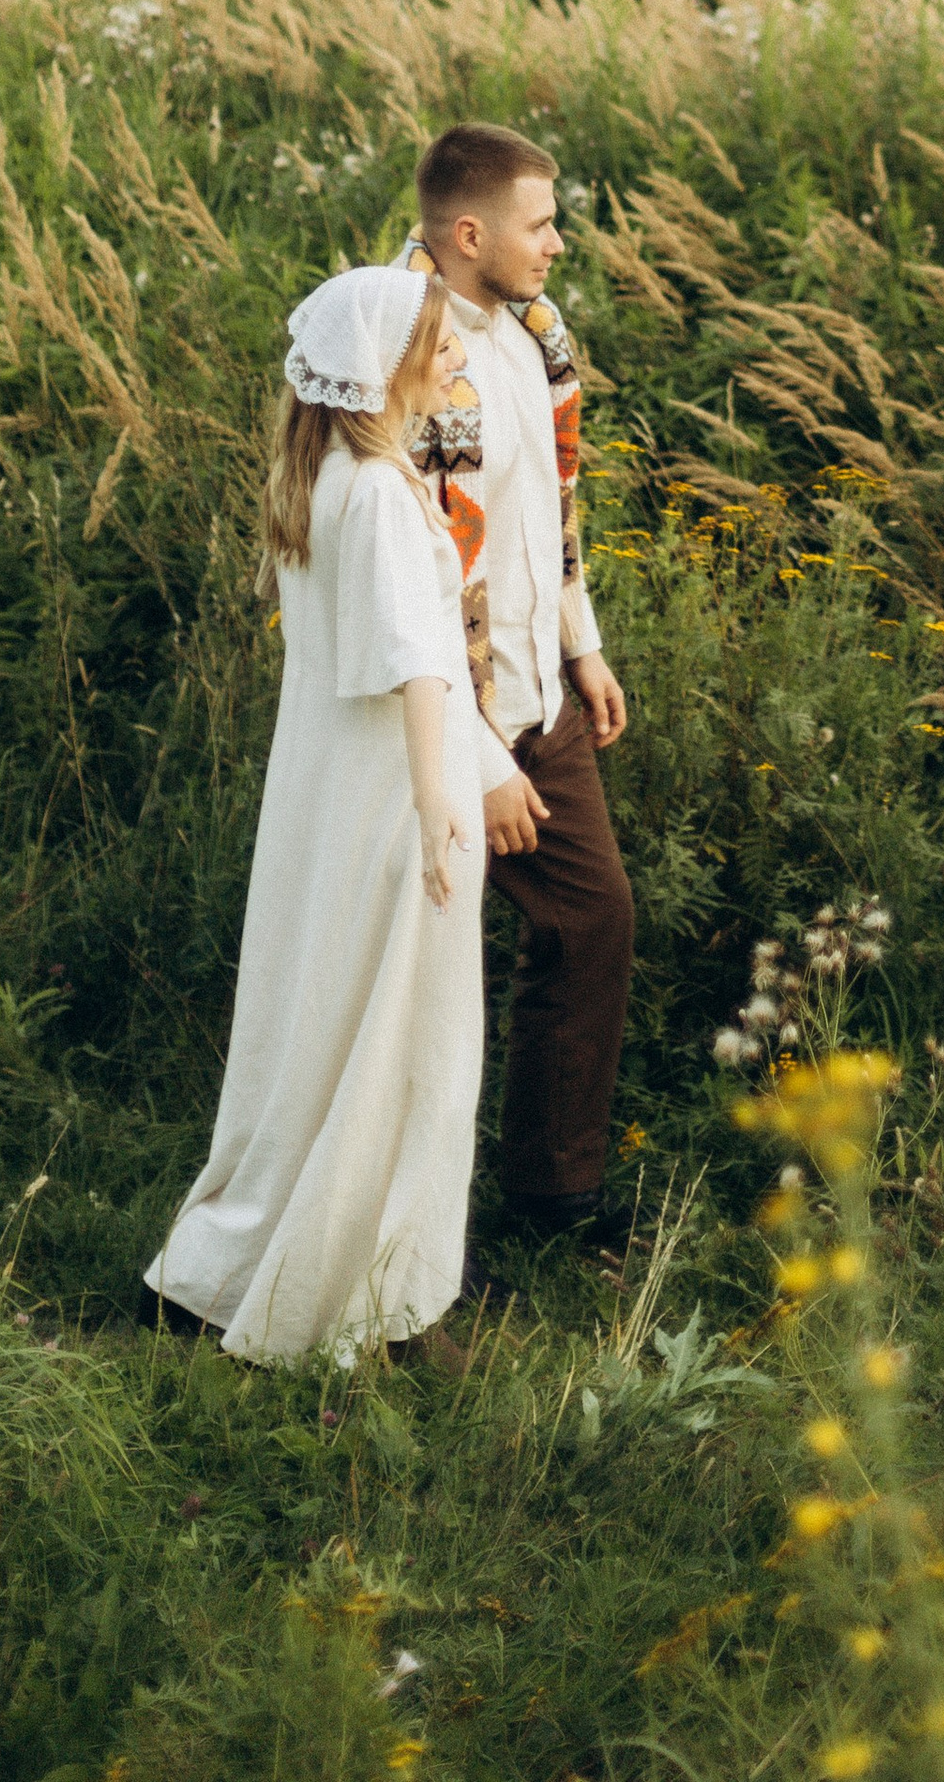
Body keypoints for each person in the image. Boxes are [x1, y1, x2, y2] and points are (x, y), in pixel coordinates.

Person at [144, 263, 485, 1362]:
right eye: (439, 345)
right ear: (382, 367)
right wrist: (443, 801)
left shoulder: (327, 476)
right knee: (410, 1046)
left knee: (321, 1030)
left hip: (330, 791)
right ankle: (372, 1296)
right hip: (392, 792)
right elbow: (413, 661)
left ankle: (232, 1269)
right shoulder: (381, 495)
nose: (457, 361)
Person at [397, 120, 634, 1265]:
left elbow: (550, 508)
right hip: (450, 718)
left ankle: (550, 1199)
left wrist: (581, 643)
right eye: (540, 225)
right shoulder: (405, 345)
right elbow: (420, 565)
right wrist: (482, 759)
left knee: (592, 923)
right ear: (469, 231)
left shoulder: (536, 331)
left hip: (541, 691)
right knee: (420, 971)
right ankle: (398, 1228)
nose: (556, 247)